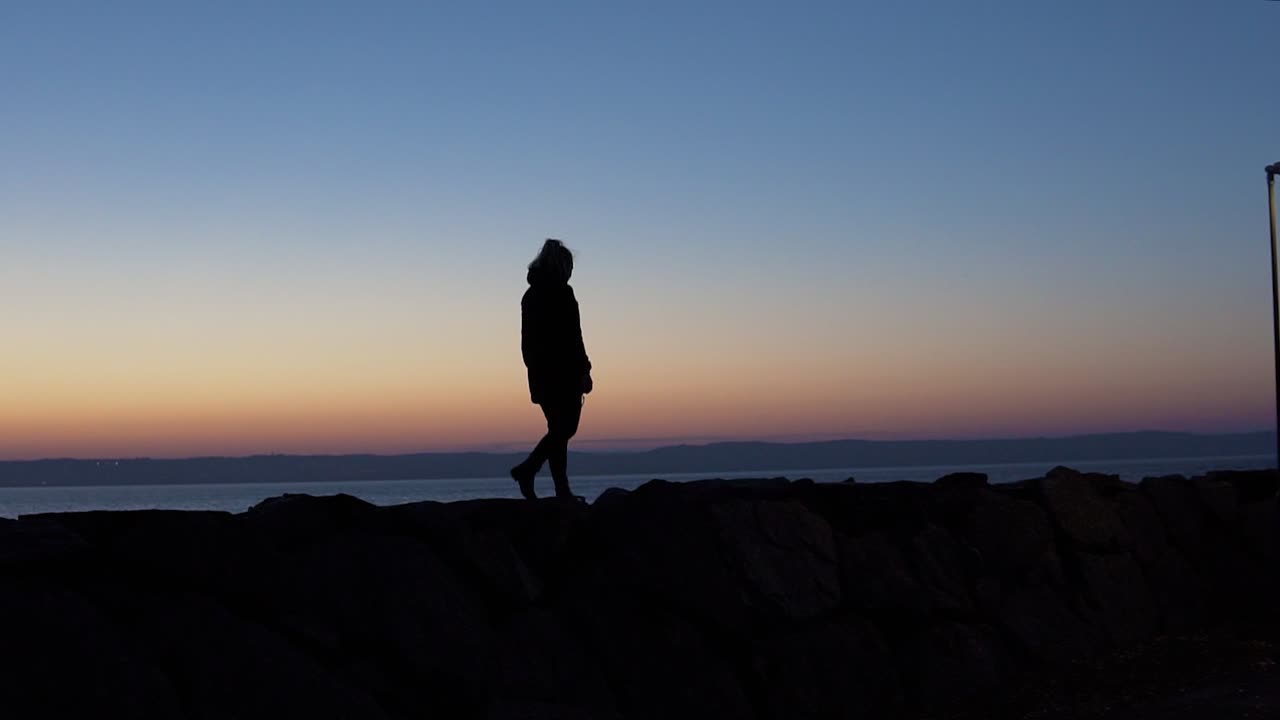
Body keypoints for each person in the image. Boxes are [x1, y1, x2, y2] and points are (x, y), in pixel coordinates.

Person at [510, 239, 593, 500]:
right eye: (568, 267)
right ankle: (528, 470)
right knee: (564, 429)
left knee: (559, 430)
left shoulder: (531, 296)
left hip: (543, 374)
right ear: (560, 267)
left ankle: (560, 489)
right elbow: (573, 338)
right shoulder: (562, 294)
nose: (571, 272)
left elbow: (528, 343)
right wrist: (584, 370)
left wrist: (536, 369)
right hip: (563, 374)